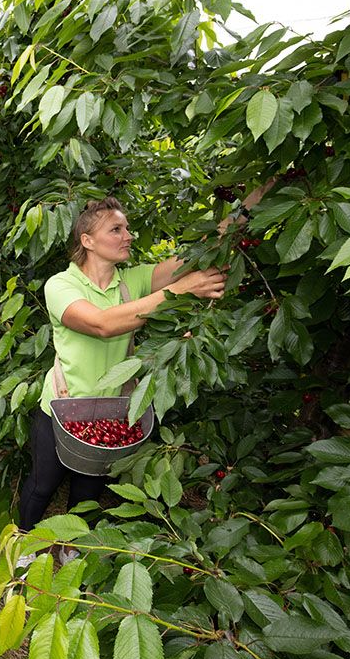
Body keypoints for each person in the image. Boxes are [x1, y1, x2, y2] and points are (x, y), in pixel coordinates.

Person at [19, 197, 227, 532]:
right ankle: (23, 542)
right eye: (116, 229)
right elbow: (102, 323)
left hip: (112, 412)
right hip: (62, 405)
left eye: (127, 228)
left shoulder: (132, 283)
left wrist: (249, 205)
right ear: (88, 241)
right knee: (43, 484)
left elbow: (195, 256)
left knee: (88, 492)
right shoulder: (61, 285)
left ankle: (71, 544)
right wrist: (178, 290)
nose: (128, 235)